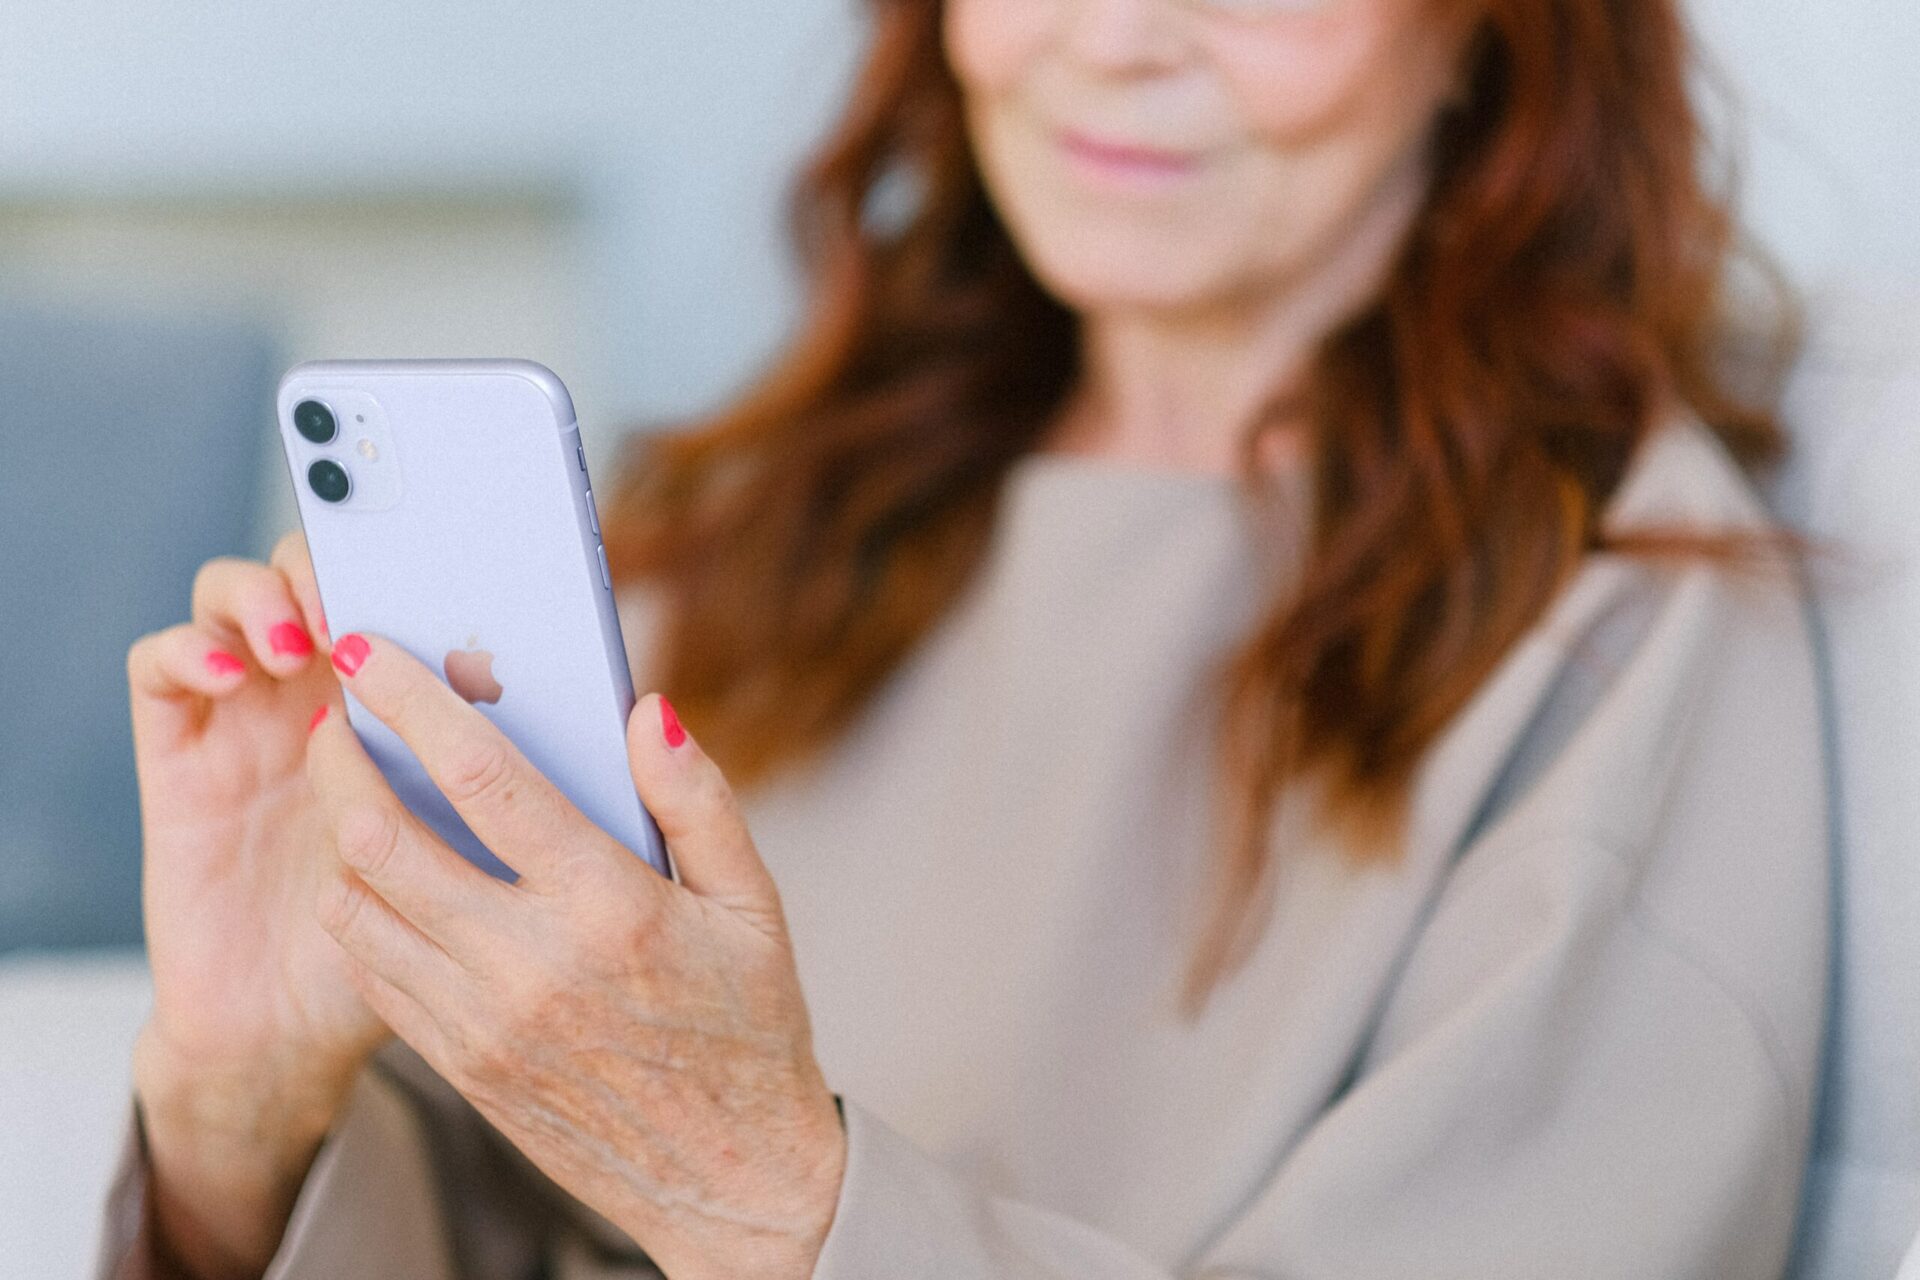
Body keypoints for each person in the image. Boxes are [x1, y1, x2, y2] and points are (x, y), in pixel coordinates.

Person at [95, 0, 1830, 1276]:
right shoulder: (762, 526)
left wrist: (777, 1204)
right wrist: (241, 1114)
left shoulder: (1623, 622)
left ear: (1499, 35)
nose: (1116, 38)